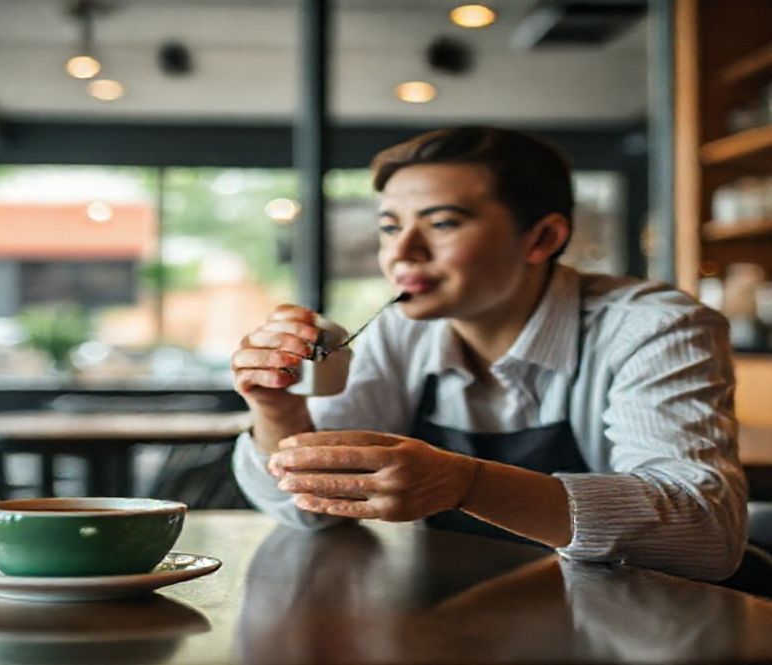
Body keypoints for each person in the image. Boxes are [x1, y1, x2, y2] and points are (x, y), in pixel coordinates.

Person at [230, 126, 747, 581]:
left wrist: (467, 483)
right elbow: (316, 509)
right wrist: (279, 411)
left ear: (542, 237)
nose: (401, 252)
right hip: (456, 617)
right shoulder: (398, 332)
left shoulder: (653, 327)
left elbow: (703, 530)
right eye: (390, 226)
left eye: (443, 223)